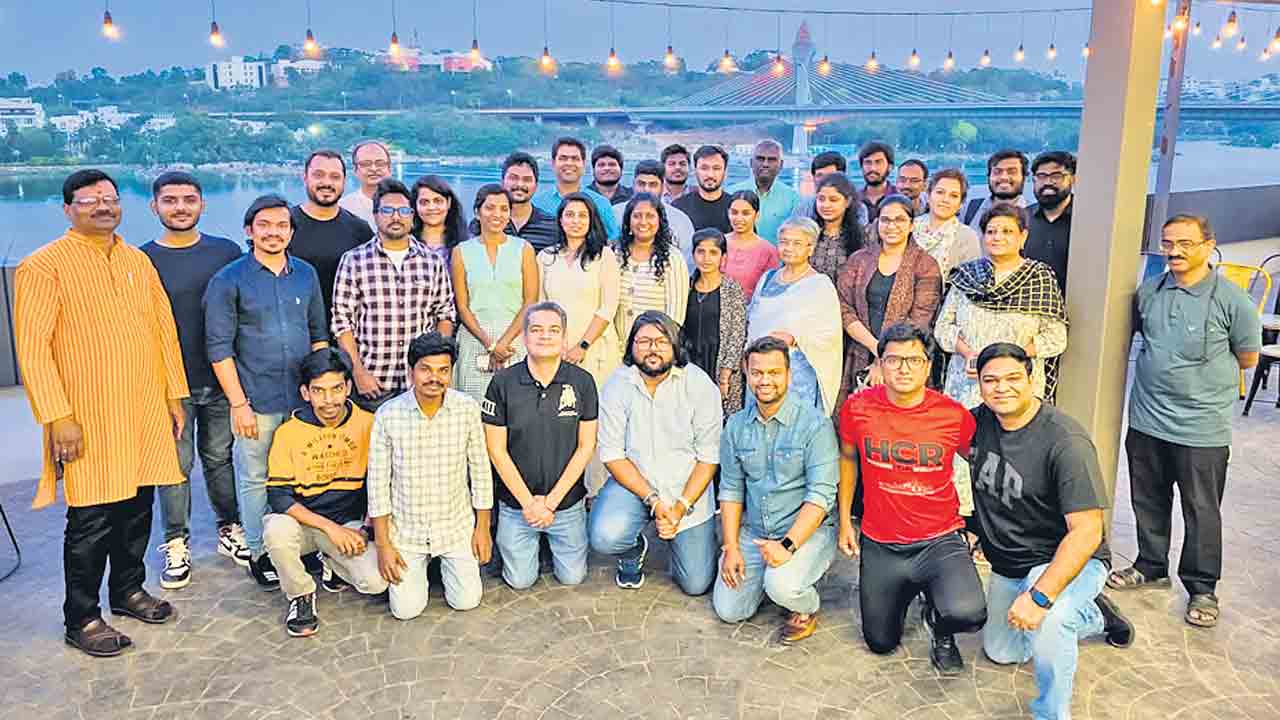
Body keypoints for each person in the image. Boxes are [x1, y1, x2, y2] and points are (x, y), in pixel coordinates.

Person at [16, 169, 186, 657]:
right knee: (92, 517)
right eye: (89, 201)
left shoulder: (137, 261)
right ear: (67, 209)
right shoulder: (43, 266)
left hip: (144, 407)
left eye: (109, 198)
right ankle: (83, 617)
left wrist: (173, 395)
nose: (103, 207)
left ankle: (128, 590)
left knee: (137, 508)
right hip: (87, 414)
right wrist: (57, 416)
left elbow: (163, 331)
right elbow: (33, 350)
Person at [1107, 214, 1261, 629]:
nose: (1174, 251)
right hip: (1147, 419)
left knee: (1201, 510)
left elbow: (1248, 358)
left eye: (1185, 243)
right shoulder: (1149, 292)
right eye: (1168, 243)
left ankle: (1202, 587)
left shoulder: (1233, 300)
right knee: (1148, 499)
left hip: (1201, 427)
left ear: (1209, 245)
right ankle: (1151, 565)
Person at [971, 343, 1136, 720]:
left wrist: (1041, 597)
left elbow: (1087, 531)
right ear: (979, 384)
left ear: (1032, 379)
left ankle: (1051, 713)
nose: (1002, 388)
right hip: (1010, 563)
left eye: (1013, 378)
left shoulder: (1065, 441)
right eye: (990, 380)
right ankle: (1095, 614)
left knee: (1053, 618)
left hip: (1067, 560)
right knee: (1003, 651)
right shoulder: (978, 422)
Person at [836, 323, 985, 675]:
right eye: (893, 360)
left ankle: (939, 623)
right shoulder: (857, 408)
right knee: (880, 642)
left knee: (968, 613)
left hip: (939, 538)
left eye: (914, 360)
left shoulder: (953, 415)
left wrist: (982, 527)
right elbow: (848, 459)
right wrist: (844, 521)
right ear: (880, 364)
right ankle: (907, 588)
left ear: (928, 366)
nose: (903, 368)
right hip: (881, 541)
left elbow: (981, 466)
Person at [206, 194, 330, 589]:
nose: (273, 232)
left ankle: (304, 546)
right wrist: (238, 404)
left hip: (302, 399)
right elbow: (219, 348)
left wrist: (322, 391)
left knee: (306, 473)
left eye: (281, 225)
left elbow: (318, 334)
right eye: (264, 225)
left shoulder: (305, 274)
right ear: (249, 231)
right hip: (256, 400)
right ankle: (261, 552)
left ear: (291, 232)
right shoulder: (228, 280)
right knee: (256, 477)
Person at [141, 171, 247, 589]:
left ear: (202, 204)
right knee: (175, 465)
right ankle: (175, 541)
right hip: (169, 385)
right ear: (155, 206)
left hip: (221, 378)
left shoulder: (226, 253)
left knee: (220, 458)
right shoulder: (141, 259)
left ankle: (229, 528)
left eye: (188, 199)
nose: (180, 207)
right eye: (170, 200)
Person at [935, 203, 1067, 531]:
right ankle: (966, 528)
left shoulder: (1039, 278)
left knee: (1011, 457)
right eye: (991, 231)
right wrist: (970, 354)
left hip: (1014, 386)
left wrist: (1009, 360)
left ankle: (1006, 531)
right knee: (965, 454)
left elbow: (1056, 337)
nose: (998, 237)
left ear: (1023, 236)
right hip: (967, 382)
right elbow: (943, 328)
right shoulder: (967, 276)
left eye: (1007, 231)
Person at [713, 337, 839, 644]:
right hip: (756, 531)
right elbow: (731, 489)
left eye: (774, 372)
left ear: (789, 375)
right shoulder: (736, 426)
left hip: (805, 532)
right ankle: (773, 579)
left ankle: (805, 602)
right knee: (729, 610)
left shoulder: (815, 425)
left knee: (783, 587)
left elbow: (820, 496)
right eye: (757, 373)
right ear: (747, 373)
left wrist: (787, 546)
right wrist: (731, 547)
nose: (765, 380)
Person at [591, 311, 722, 593]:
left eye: (662, 342)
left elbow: (708, 458)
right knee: (605, 536)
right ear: (631, 346)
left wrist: (679, 508)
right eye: (644, 341)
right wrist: (653, 500)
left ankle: (687, 541)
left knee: (696, 583)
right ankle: (633, 549)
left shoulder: (699, 384)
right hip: (636, 485)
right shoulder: (617, 384)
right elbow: (612, 454)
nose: (653, 349)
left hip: (686, 491)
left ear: (675, 346)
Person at [262, 348, 388, 637]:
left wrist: (366, 529)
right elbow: (279, 497)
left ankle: (330, 561)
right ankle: (301, 596)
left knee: (377, 582)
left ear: (348, 387)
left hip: (349, 524)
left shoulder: (369, 424)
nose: (329, 400)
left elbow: (380, 483)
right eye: (319, 391)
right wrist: (331, 529)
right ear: (305, 393)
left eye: (336, 389)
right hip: (304, 525)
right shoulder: (288, 433)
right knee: (276, 530)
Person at [368, 333, 494, 619]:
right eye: (425, 369)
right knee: (405, 610)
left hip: (454, 527)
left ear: (451, 372)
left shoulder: (466, 409)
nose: (434, 378)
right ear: (411, 370)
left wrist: (482, 528)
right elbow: (377, 484)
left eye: (443, 370)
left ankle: (442, 565)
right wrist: (384, 544)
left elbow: (480, 470)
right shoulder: (388, 415)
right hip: (407, 531)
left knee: (466, 601)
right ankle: (426, 568)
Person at [483, 302, 599, 589]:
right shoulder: (502, 383)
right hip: (516, 506)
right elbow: (496, 450)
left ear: (564, 338)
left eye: (553, 330)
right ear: (524, 337)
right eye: (536, 329)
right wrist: (529, 504)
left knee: (572, 577)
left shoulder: (583, 382)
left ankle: (547, 543)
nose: (545, 336)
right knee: (520, 581)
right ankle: (526, 544)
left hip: (565, 504)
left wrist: (550, 503)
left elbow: (586, 446)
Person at [332, 178, 456, 413]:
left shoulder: (432, 261)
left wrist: (435, 365)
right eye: (387, 210)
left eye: (403, 211)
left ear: (412, 215)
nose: (396, 217)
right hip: (373, 383)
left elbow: (445, 314)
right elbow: (342, 322)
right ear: (376, 215)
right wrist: (358, 372)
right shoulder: (354, 260)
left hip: (420, 384)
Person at [835, 196, 942, 412]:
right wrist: (876, 349)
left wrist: (885, 360)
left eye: (899, 220)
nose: (891, 226)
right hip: (859, 354)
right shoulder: (859, 260)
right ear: (877, 223)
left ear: (911, 225)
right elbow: (843, 306)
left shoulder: (926, 265)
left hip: (905, 359)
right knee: (859, 419)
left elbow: (920, 319)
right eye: (885, 220)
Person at [746, 218, 843, 417]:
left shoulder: (820, 285)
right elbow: (752, 320)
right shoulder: (767, 278)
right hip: (760, 369)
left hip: (797, 374)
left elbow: (830, 335)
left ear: (810, 248)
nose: (789, 248)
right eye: (784, 242)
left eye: (797, 243)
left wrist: (794, 338)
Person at [452, 184, 539, 402]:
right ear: (477, 212)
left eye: (503, 209)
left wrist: (503, 343)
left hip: (515, 340)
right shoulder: (461, 251)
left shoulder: (524, 249)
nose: (497, 214)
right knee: (474, 406)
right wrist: (490, 344)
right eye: (490, 208)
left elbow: (530, 301)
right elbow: (462, 306)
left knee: (516, 405)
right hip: (475, 339)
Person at [290, 150, 375, 321]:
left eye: (335, 177)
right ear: (305, 178)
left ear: (344, 181)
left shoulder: (360, 230)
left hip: (344, 329)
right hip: (295, 327)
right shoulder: (284, 225)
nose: (327, 183)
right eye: (318, 175)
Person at [685, 229, 748, 417]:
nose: (706, 258)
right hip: (689, 362)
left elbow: (737, 334)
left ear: (723, 257)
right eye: (701, 252)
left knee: (719, 418)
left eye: (713, 252)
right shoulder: (686, 286)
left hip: (719, 364)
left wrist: (725, 376)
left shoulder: (732, 289)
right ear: (693, 254)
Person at [614, 193, 690, 339]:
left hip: (654, 345)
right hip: (616, 346)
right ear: (628, 220)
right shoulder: (615, 253)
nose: (643, 222)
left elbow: (676, 316)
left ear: (659, 220)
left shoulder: (672, 258)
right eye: (637, 216)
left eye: (650, 216)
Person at [466, 151, 560, 253]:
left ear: (536, 185)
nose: (520, 184)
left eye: (527, 179)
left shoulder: (553, 226)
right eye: (513, 178)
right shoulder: (484, 221)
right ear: (502, 181)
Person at [532, 137, 621, 239]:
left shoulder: (601, 203)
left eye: (575, 159)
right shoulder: (537, 203)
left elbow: (613, 240)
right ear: (553, 163)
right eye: (563, 158)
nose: (569, 163)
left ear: (583, 164)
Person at [613, 160, 696, 267]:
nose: (646, 189)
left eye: (653, 185)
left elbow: (687, 262)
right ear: (633, 184)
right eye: (641, 184)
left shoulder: (680, 220)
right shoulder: (615, 214)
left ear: (663, 187)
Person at [912, 168, 982, 283]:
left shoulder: (968, 237)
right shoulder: (909, 227)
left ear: (961, 204)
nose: (945, 200)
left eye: (953, 196)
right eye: (940, 192)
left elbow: (971, 283)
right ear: (928, 196)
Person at [727, 139, 799, 244]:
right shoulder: (731, 193)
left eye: (771, 160)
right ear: (751, 163)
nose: (765, 164)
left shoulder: (792, 198)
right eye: (760, 159)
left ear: (781, 165)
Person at [1025, 151, 1077, 293]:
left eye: (1056, 176)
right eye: (1041, 176)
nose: (1048, 182)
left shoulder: (1087, 219)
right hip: (1029, 303)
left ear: (1073, 179)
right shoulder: (1022, 219)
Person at [808, 173, 866, 285]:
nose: (826, 205)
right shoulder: (807, 233)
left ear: (847, 202)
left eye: (833, 200)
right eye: (821, 199)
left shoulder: (862, 235)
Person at [723, 190, 780, 303]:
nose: (739, 218)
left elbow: (771, 290)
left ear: (756, 215)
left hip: (751, 310)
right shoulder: (718, 243)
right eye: (734, 213)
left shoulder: (768, 251)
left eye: (745, 213)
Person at [792, 151, 870, 228]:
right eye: (819, 175)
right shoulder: (803, 208)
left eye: (830, 175)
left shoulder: (859, 209)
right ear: (813, 178)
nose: (824, 180)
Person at [411, 174, 469, 269]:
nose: (431, 207)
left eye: (438, 201)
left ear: (449, 203)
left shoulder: (465, 244)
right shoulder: (406, 242)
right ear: (415, 205)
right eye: (424, 202)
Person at [962, 149, 1029, 231]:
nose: (1004, 177)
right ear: (989, 176)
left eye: (1012, 172)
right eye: (997, 172)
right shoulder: (969, 209)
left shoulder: (1034, 214)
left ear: (1024, 177)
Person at [673, 144, 733, 234]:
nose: (710, 175)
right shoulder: (679, 208)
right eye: (704, 168)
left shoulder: (736, 208)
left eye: (716, 168)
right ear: (695, 171)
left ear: (725, 172)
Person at [338, 140, 392, 230]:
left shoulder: (407, 204)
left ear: (389, 168)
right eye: (366, 164)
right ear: (355, 170)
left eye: (380, 163)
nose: (373, 168)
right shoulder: (343, 208)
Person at [857, 141, 898, 223]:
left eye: (878, 162)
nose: (873, 168)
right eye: (868, 162)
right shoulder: (854, 200)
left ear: (890, 167)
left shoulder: (899, 198)